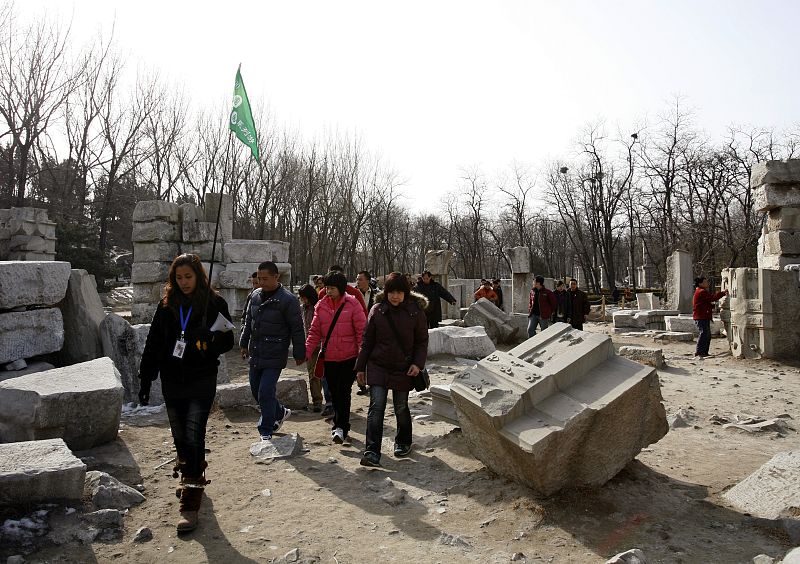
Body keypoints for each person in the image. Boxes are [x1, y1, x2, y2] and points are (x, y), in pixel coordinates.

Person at [137, 253, 234, 533]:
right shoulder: (167, 305)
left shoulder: (214, 303)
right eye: (178, 278)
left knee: (193, 431)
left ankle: (191, 498)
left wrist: (210, 340)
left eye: (188, 277)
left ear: (198, 276)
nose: (183, 282)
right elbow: (154, 342)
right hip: (172, 379)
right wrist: (146, 379)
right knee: (179, 433)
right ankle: (192, 470)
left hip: (201, 378)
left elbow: (227, 339)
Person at [356, 273, 428, 467]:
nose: (395, 296)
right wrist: (360, 367)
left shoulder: (416, 312)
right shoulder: (377, 310)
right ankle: (371, 451)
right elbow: (367, 341)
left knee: (401, 406)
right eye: (391, 292)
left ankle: (403, 441)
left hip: (404, 368)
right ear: (386, 292)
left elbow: (422, 342)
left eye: (399, 292)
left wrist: (417, 363)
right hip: (378, 366)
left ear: (406, 292)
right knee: (376, 407)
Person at [239, 261, 306, 442]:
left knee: (265, 391)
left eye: (265, 278)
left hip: (276, 352)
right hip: (256, 352)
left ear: (276, 277)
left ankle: (266, 429)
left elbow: (297, 329)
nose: (261, 282)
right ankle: (280, 411)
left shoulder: (288, 300)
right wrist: (244, 343)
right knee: (256, 391)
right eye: (259, 278)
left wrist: (300, 353)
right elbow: (248, 323)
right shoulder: (255, 296)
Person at [305, 271, 366, 444]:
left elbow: (362, 332)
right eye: (326, 288)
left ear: (340, 288)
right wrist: (306, 352)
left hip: (349, 357)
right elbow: (314, 332)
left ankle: (341, 426)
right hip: (330, 357)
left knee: (344, 392)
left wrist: (362, 356)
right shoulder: (321, 306)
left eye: (332, 288)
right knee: (334, 392)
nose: (328, 291)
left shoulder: (353, 304)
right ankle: (339, 424)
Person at [298, 284, 326, 412]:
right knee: (312, 374)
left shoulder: (319, 307)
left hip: (322, 345)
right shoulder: (302, 309)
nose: (303, 300)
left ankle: (330, 401)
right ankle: (317, 401)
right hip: (309, 346)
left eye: (304, 298)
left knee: (324, 374)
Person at [354, 270, 379, 396]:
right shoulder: (352, 294)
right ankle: (361, 385)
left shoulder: (377, 294)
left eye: (361, 279)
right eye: (357, 279)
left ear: (368, 281)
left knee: (372, 358)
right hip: (356, 331)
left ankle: (372, 383)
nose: (358, 282)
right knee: (360, 358)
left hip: (373, 331)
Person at [692, 276, 728, 358]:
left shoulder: (700, 291)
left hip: (702, 316)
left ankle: (703, 352)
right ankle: (700, 352)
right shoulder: (701, 292)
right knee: (704, 334)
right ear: (700, 283)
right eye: (705, 282)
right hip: (701, 317)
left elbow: (706, 302)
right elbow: (713, 298)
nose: (707, 283)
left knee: (706, 335)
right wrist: (722, 293)